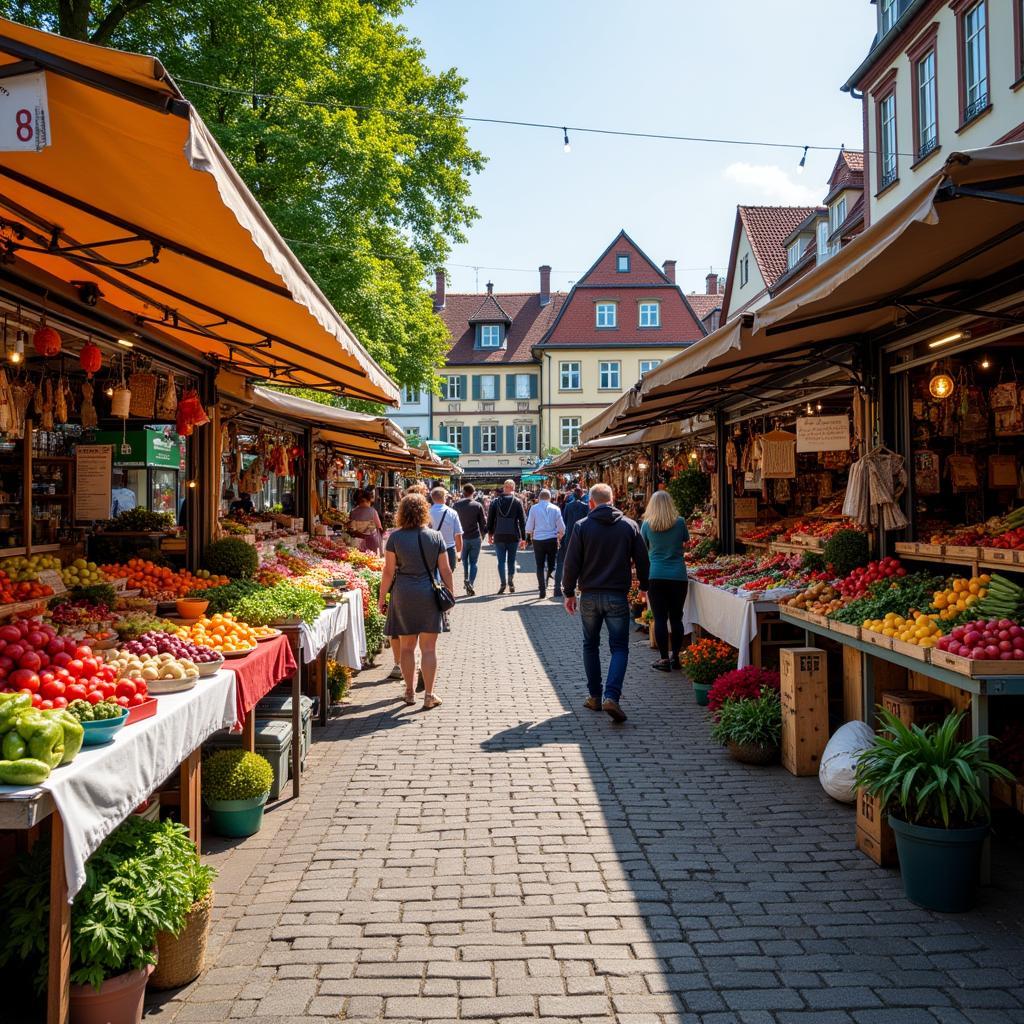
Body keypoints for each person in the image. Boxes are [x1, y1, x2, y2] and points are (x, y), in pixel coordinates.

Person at [561, 483, 650, 724]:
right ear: (613, 500)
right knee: (619, 647)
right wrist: (644, 587)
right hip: (617, 596)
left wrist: (568, 592)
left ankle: (594, 696)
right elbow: (643, 559)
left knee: (590, 645)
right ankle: (612, 695)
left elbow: (571, 563)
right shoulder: (629, 525)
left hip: (589, 595)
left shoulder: (582, 527)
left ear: (591, 503)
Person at [377, 493, 453, 709]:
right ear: (424, 512)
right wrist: (451, 594)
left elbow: (388, 572)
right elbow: (445, 570)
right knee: (429, 649)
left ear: (402, 513)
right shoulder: (435, 537)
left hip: (403, 594)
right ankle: (429, 695)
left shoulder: (395, 538)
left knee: (407, 648)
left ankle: (409, 692)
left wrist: (382, 598)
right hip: (429, 593)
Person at [640, 490, 690, 671]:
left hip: (655, 574)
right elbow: (686, 544)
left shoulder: (646, 525)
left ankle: (663, 659)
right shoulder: (680, 522)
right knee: (676, 618)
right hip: (678, 575)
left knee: (660, 618)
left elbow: (644, 549)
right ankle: (675, 657)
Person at [486, 479, 526, 594]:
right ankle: (510, 581)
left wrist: (490, 534)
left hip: (499, 535)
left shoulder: (495, 501)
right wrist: (523, 538)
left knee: (501, 561)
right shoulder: (517, 502)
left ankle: (503, 583)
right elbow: (522, 521)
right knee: (511, 560)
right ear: (513, 488)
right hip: (513, 535)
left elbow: (490, 520)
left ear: (504, 487)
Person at [525, 488, 565, 599]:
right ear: (550, 498)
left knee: (539, 565)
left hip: (538, 540)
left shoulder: (534, 508)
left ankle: (542, 589)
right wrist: (560, 535)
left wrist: (529, 534)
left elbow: (528, 527)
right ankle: (547, 580)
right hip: (552, 539)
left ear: (539, 498)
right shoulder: (556, 508)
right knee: (552, 565)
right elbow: (562, 527)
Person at [554, 487, 590, 599]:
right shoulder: (585, 507)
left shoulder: (568, 506)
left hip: (568, 537)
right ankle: (581, 588)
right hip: (582, 538)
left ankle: (557, 588)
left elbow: (563, 522)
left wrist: (560, 536)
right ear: (582, 495)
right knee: (582, 564)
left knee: (561, 563)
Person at [453, 483, 486, 595]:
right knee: (473, 563)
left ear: (463, 492)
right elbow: (483, 524)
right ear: (473, 492)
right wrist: (483, 535)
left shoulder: (456, 505)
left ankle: (466, 579)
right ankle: (470, 582)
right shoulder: (477, 505)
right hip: (475, 537)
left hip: (461, 538)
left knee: (464, 562)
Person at [429, 486, 463, 571]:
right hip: (449, 549)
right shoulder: (452, 513)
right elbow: (458, 534)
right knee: (448, 576)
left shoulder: (427, 513)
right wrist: (459, 553)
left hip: (431, 548)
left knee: (433, 576)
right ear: (445, 497)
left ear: (432, 498)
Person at [349, 489, 384, 555]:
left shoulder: (353, 512)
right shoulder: (373, 511)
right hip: (371, 541)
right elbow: (379, 527)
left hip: (356, 541)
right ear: (369, 501)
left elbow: (351, 528)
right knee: (371, 560)